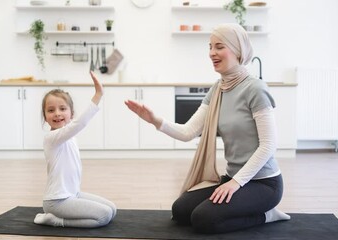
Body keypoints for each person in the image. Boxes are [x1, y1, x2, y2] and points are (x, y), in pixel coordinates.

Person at [125, 23, 290, 234]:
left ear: (238, 50)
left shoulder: (255, 88)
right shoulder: (218, 89)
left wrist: (236, 183)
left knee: (204, 220)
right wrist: (155, 120)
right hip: (232, 178)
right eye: (210, 47)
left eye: (219, 46)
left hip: (263, 183)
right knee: (181, 211)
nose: (212, 53)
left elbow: (269, 145)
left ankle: (266, 214)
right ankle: (243, 204)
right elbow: (188, 132)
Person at [34, 71, 116, 228]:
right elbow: (79, 124)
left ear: (71, 113)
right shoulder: (51, 138)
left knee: (112, 209)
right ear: (45, 116)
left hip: (73, 194)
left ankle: (58, 216)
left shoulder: (69, 136)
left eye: (62, 108)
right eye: (51, 110)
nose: (57, 113)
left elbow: (74, 127)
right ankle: (55, 220)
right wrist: (98, 95)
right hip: (56, 201)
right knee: (104, 216)